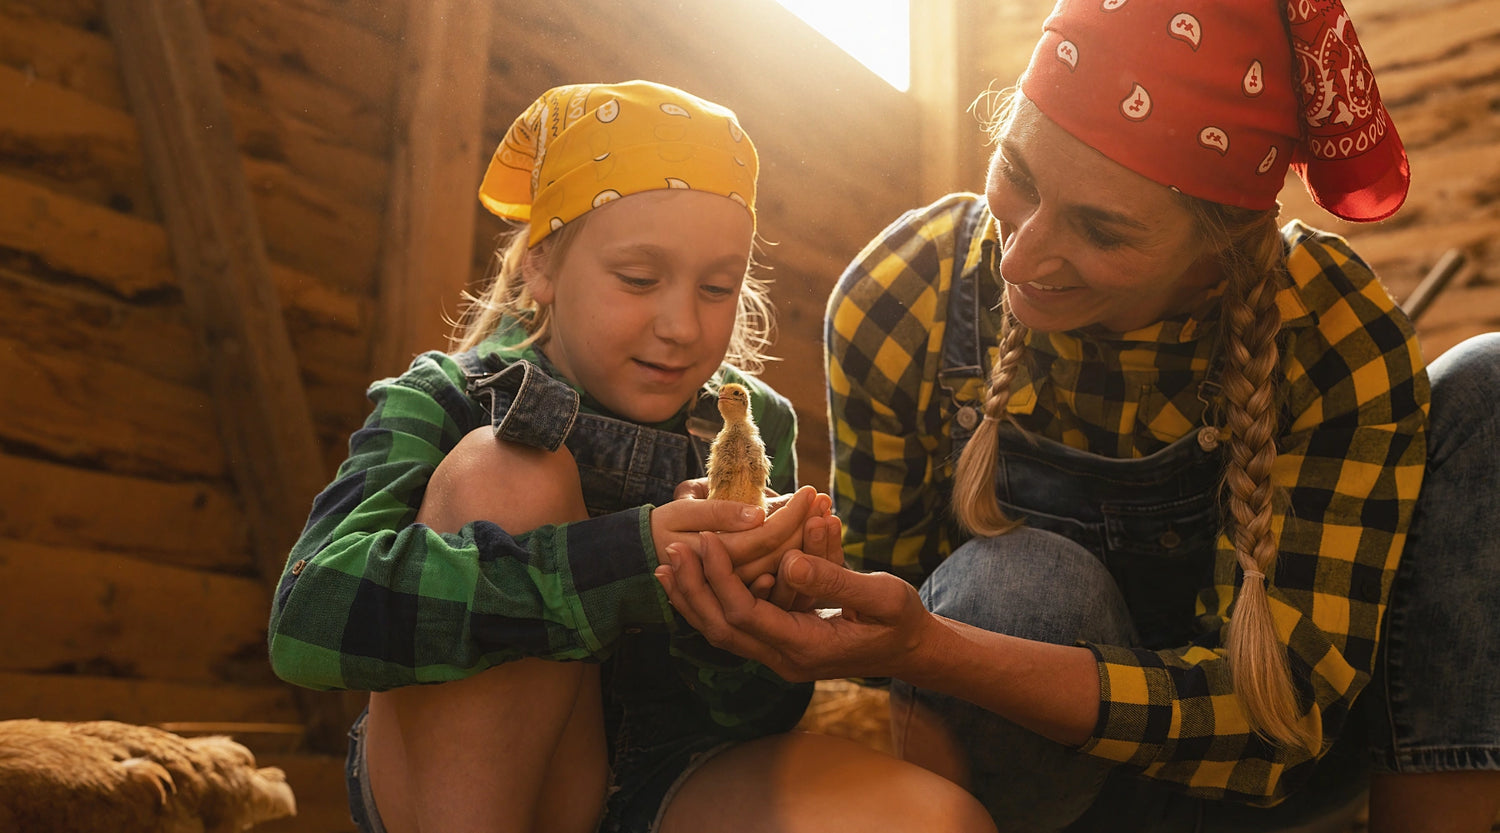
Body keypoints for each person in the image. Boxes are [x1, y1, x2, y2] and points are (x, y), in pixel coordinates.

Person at [654, 3, 1500, 831]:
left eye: (1101, 229)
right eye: (1016, 175)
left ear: (1221, 246)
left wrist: (932, 647)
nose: (1017, 255)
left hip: (1270, 786)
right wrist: (794, 594)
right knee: (1023, 588)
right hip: (1023, 787)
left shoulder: (1334, 332)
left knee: (1487, 381)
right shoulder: (902, 293)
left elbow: (1285, 725)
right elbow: (880, 638)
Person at [266, 80, 994, 833]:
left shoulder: (748, 427)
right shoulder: (447, 397)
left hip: (671, 776)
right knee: (508, 468)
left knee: (939, 821)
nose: (681, 324)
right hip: (466, 792)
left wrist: (759, 618)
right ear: (541, 266)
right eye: (640, 279)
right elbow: (306, 620)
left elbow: (754, 717)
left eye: (718, 287)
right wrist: (627, 556)